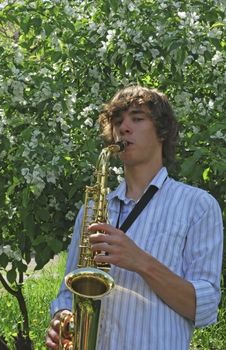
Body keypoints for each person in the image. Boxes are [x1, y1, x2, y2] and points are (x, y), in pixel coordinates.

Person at [46, 85, 223, 350]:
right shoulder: (92, 209)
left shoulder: (198, 205)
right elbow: (67, 291)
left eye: (137, 118)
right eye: (117, 121)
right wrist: (61, 318)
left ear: (162, 131)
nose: (124, 128)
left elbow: (204, 307)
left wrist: (141, 261)